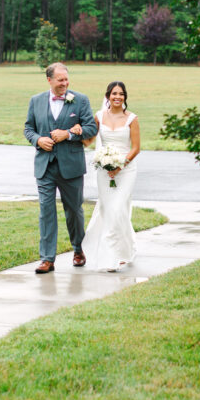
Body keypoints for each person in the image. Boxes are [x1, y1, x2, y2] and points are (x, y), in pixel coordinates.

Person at [23, 62, 98, 273]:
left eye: (66, 79)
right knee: (46, 211)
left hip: (71, 166)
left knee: (74, 211)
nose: (65, 83)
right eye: (60, 80)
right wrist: (38, 140)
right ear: (49, 80)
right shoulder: (36, 101)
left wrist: (69, 134)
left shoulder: (80, 99)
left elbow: (91, 127)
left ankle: (78, 249)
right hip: (44, 167)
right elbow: (28, 128)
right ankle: (47, 259)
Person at [82, 81, 141, 271]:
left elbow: (136, 148)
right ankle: (126, 249)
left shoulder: (132, 119)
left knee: (117, 209)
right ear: (108, 96)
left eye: (121, 94)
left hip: (127, 170)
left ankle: (111, 258)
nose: (118, 97)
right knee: (111, 211)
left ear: (125, 97)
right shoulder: (99, 116)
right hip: (104, 171)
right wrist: (78, 132)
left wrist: (120, 165)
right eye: (114, 93)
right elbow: (89, 140)